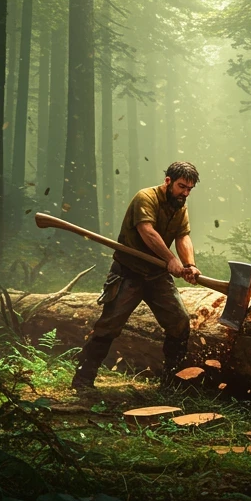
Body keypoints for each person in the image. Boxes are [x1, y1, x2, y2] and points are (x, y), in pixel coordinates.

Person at [71, 161, 201, 391]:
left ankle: (171, 383)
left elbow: (183, 236)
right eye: (182, 186)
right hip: (128, 273)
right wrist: (171, 259)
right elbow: (146, 231)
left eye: (190, 189)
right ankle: (82, 380)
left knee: (179, 322)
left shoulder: (180, 205)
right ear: (168, 181)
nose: (185, 193)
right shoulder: (145, 197)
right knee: (109, 326)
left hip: (157, 276)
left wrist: (189, 264)